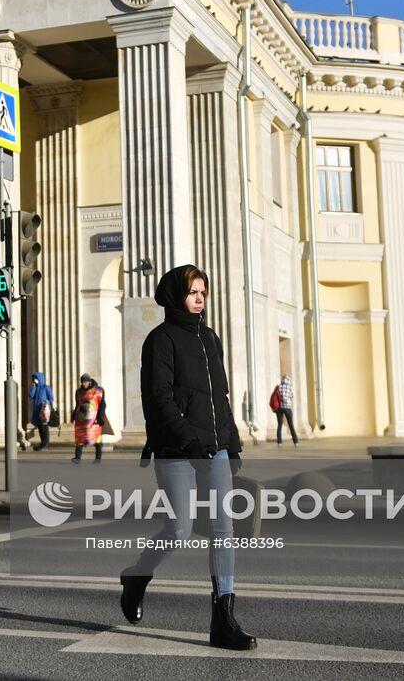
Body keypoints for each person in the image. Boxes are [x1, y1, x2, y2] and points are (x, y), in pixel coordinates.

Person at [121, 264, 255, 650]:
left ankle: (223, 620)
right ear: (175, 295)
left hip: (215, 451)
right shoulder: (159, 340)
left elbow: (220, 398)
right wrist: (191, 439)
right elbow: (159, 400)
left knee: (223, 531)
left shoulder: (210, 339)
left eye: (203, 292)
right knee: (179, 529)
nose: (200, 298)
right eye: (193, 291)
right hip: (176, 451)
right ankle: (136, 577)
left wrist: (232, 443)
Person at [72, 374, 107, 464]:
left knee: (96, 439)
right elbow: (77, 405)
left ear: (89, 382)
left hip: (94, 420)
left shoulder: (98, 391)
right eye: (82, 382)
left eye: (85, 382)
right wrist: (73, 415)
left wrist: (101, 417)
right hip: (81, 420)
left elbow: (102, 405)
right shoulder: (78, 392)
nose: (84, 384)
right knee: (79, 438)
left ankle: (98, 458)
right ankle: (77, 458)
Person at [28, 371, 55, 451]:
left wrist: (46, 402)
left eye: (36, 378)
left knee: (44, 427)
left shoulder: (46, 387)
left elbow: (51, 399)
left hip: (43, 410)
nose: (34, 380)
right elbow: (31, 395)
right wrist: (33, 386)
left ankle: (46, 444)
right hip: (37, 411)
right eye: (33, 379)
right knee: (40, 427)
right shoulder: (36, 387)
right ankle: (43, 443)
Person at [270, 373, 298, 445]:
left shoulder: (279, 387)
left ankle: (279, 442)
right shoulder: (290, 387)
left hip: (279, 408)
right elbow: (292, 396)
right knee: (290, 424)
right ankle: (295, 441)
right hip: (287, 408)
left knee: (279, 424)